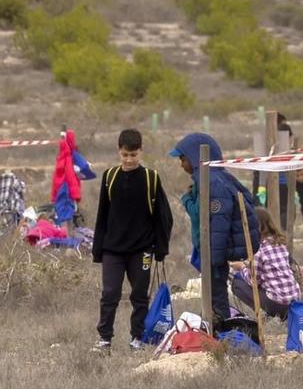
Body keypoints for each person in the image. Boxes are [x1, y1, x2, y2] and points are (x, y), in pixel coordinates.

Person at [169, 132, 262, 330]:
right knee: (213, 294)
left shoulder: (213, 183)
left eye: (182, 158)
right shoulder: (211, 178)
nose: (181, 164)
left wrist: (214, 258)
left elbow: (218, 221)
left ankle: (221, 332)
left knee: (216, 295)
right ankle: (216, 329)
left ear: (194, 158)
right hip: (211, 250)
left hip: (214, 252)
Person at [91, 128, 172, 351]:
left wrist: (160, 248)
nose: (129, 160)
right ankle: (104, 338)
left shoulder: (151, 178)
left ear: (141, 152)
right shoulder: (109, 176)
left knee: (139, 295)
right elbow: (102, 215)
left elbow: (162, 216)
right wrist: (98, 250)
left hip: (142, 249)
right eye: (125, 155)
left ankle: (137, 337)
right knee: (110, 293)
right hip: (113, 249)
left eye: (134, 155)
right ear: (119, 152)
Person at [234, 208, 302, 325]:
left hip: (279, 304)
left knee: (237, 282)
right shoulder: (279, 243)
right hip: (295, 301)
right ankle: (276, 314)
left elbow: (253, 281)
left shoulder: (258, 248)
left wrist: (242, 267)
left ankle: (271, 314)